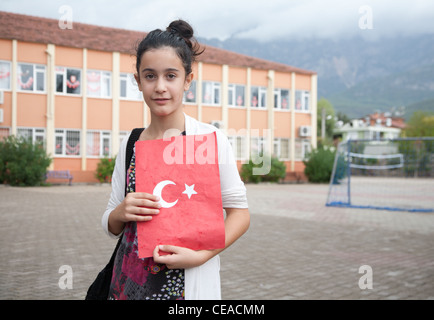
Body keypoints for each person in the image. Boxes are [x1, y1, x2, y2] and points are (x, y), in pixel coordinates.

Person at [102, 19, 250, 300]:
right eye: (150, 76)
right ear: (138, 81)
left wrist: (200, 256)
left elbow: (240, 214)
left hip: (186, 287)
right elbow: (111, 221)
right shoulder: (131, 142)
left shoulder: (210, 140)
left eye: (170, 76)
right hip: (127, 284)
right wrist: (119, 213)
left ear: (187, 81)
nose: (160, 86)